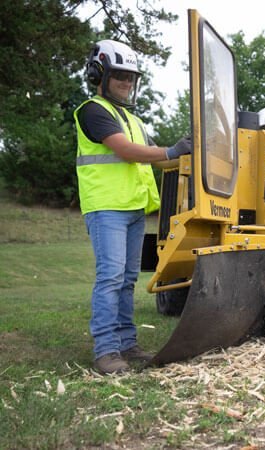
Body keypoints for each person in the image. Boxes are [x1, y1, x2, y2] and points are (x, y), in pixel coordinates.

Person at [74, 39, 191, 374]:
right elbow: (126, 151)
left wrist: (189, 152)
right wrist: (171, 151)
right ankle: (106, 351)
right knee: (110, 278)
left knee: (126, 279)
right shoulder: (93, 111)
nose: (127, 82)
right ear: (100, 74)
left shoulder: (133, 120)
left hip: (134, 208)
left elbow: (160, 161)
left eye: (131, 77)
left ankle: (127, 344)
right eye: (120, 75)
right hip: (106, 207)